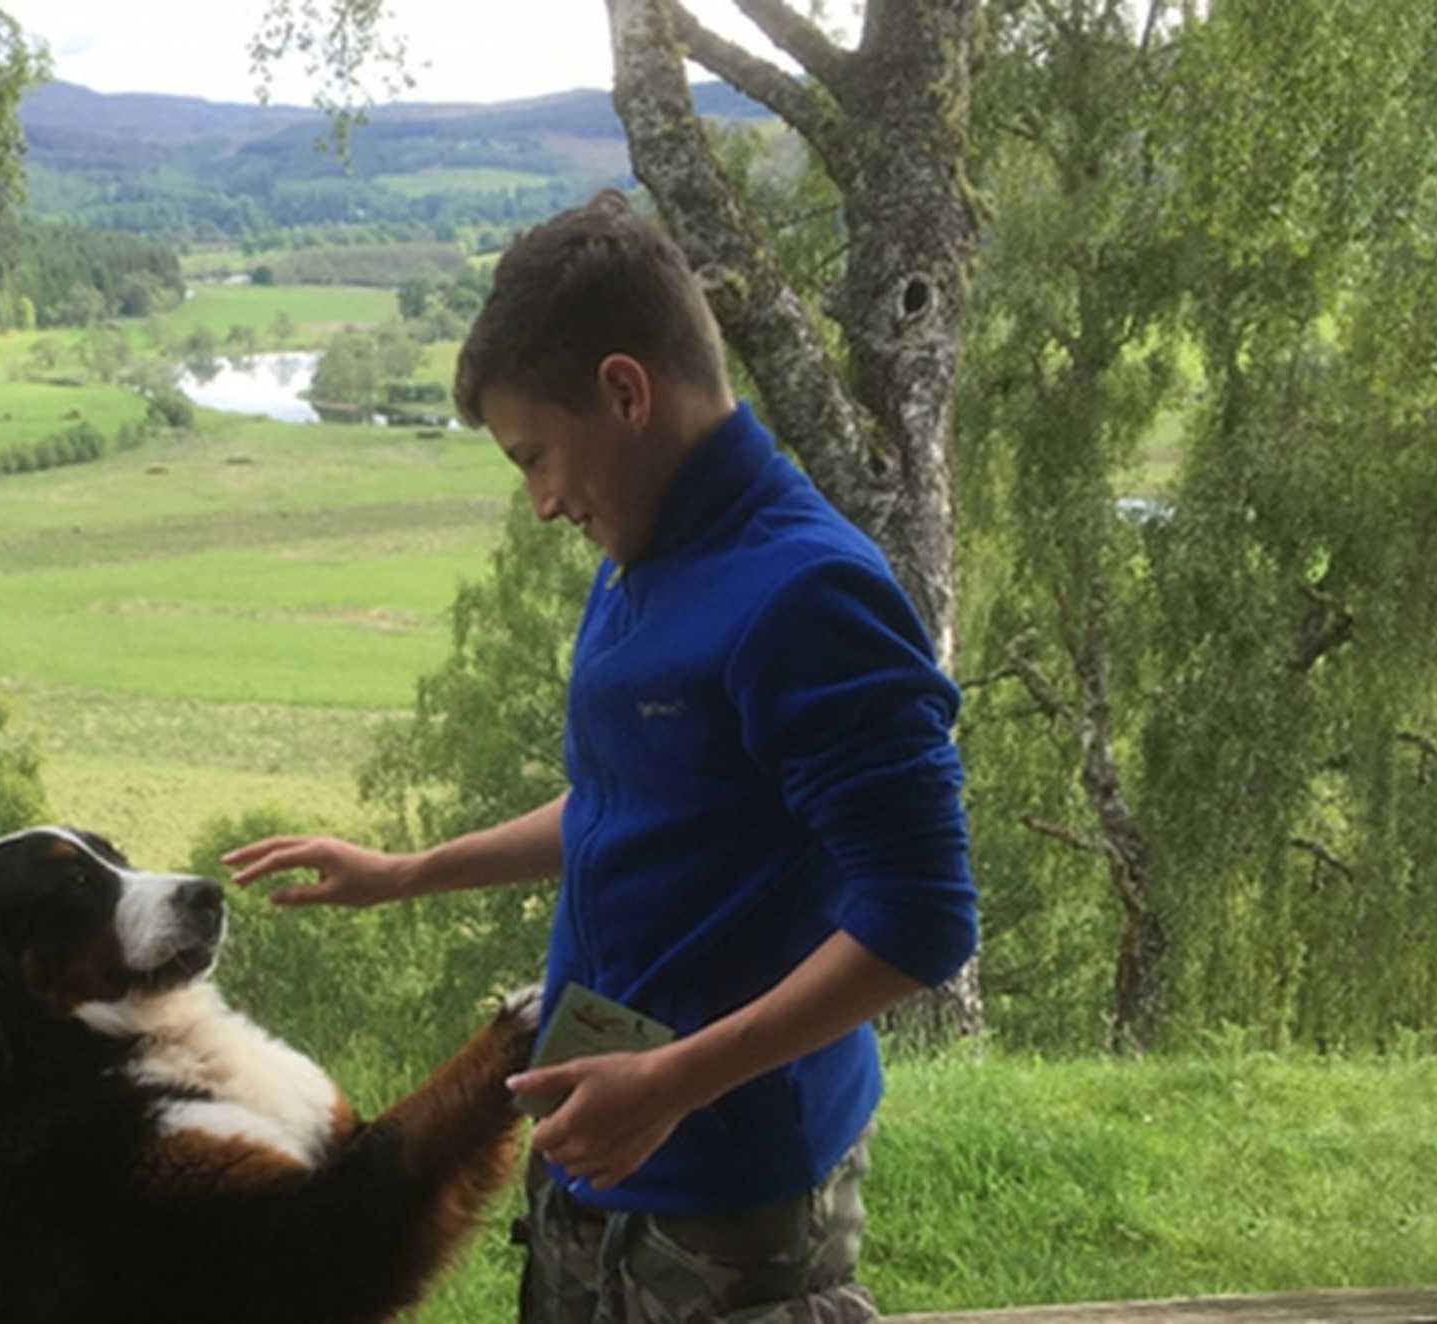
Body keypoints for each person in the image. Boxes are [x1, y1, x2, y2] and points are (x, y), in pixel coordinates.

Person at [224, 190, 977, 1323]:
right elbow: (631, 801)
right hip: (603, 1138)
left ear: (625, 392)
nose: (537, 504)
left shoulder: (807, 593)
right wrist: (408, 870)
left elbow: (922, 916)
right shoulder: (644, 547)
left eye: (536, 456)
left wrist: (671, 1084)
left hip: (729, 1180)